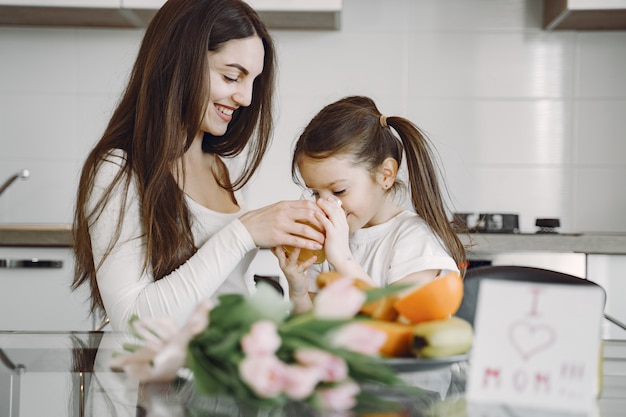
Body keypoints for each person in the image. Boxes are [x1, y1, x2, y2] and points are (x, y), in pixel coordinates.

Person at [71, 0, 325, 331]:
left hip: (218, 375)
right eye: (232, 76)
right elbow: (132, 320)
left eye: (252, 81)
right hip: (159, 380)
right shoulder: (118, 169)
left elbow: (225, 292)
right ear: (180, 63)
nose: (246, 98)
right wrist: (245, 232)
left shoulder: (220, 168)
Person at [272, 96, 467, 312]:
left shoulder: (415, 240)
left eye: (339, 191)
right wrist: (298, 290)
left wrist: (343, 259)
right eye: (316, 193)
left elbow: (396, 322)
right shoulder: (329, 244)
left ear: (386, 175)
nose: (326, 205)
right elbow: (313, 328)